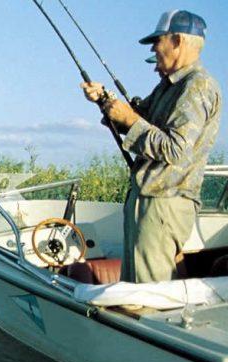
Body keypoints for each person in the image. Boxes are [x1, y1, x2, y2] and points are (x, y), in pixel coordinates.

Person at [81, 10, 222, 283]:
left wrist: (129, 119)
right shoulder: (168, 86)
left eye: (157, 41)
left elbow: (175, 149)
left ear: (178, 40)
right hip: (149, 200)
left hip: (163, 202)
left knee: (150, 295)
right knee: (135, 286)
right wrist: (104, 100)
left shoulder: (197, 87)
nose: (154, 49)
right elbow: (139, 120)